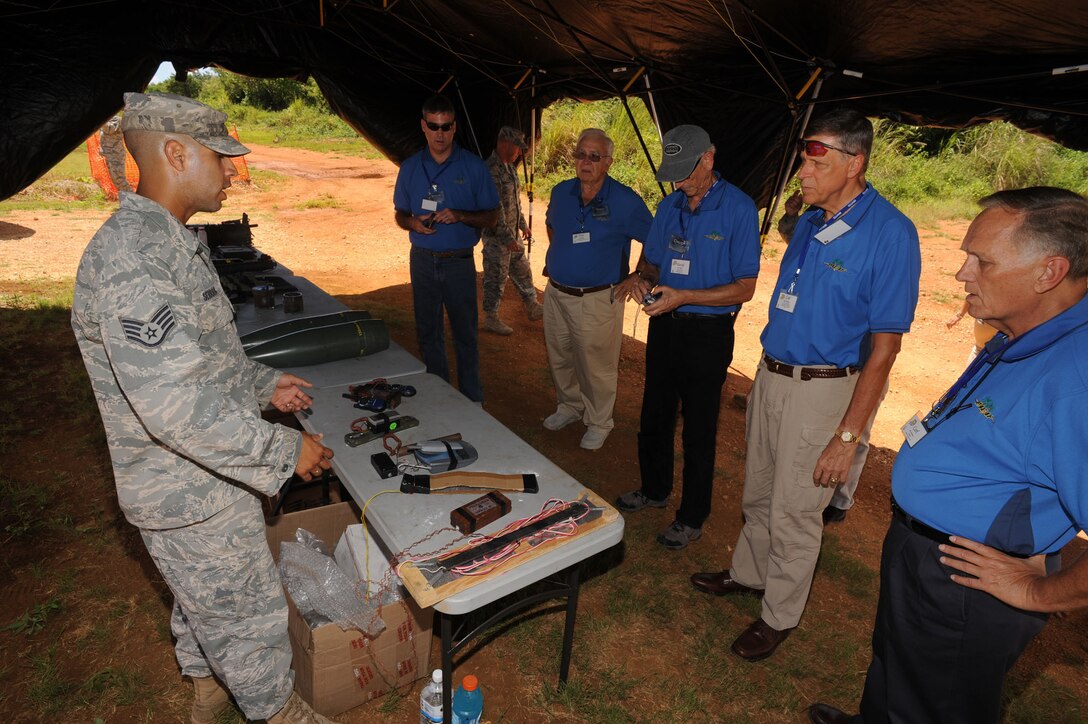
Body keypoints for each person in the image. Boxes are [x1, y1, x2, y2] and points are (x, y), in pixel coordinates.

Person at [71, 93, 335, 724]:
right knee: (246, 617)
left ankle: (209, 694)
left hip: (203, 476)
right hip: (186, 491)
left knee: (204, 600)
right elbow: (176, 407)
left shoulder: (166, 242)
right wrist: (283, 449)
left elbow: (200, 361)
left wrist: (262, 385)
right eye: (220, 157)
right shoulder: (136, 260)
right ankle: (277, 713)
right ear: (175, 154)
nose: (231, 172)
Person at [808, 187, 1088, 724]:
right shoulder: (1025, 328)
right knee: (895, 664)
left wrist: (1038, 593)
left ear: (1049, 273)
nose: (962, 274)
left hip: (965, 582)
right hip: (923, 550)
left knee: (935, 704)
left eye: (982, 261)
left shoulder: (1077, 376)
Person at [689, 109, 921, 661]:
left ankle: (779, 614)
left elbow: (885, 349)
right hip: (773, 374)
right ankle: (749, 574)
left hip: (823, 389)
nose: (802, 171)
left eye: (816, 159)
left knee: (796, 508)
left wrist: (847, 438)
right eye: (802, 158)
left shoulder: (891, 233)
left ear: (855, 163)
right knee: (759, 490)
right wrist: (765, 376)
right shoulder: (814, 219)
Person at [615, 124, 760, 548]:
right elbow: (651, 262)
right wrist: (641, 279)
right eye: (672, 174)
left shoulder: (739, 208)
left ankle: (692, 516)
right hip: (665, 324)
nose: (678, 183)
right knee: (654, 415)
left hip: (708, 333)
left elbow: (745, 287)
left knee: (699, 428)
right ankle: (654, 489)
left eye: (684, 172)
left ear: (708, 159)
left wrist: (686, 296)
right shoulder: (669, 206)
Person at [541, 128, 653, 449]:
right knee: (560, 357)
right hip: (556, 293)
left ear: (608, 163)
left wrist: (638, 274)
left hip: (598, 299)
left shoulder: (625, 201)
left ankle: (599, 421)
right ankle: (569, 406)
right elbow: (552, 225)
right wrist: (561, 255)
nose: (586, 161)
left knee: (597, 366)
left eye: (594, 156)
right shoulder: (561, 192)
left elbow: (655, 238)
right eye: (581, 154)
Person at [393, 94, 499, 402]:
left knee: (465, 334)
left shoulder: (473, 167)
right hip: (422, 260)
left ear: (454, 127)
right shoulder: (410, 168)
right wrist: (412, 222)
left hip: (458, 263)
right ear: (423, 126)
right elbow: (400, 213)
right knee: (428, 333)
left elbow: (492, 216)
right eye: (433, 126)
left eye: (446, 127)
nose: (439, 134)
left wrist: (461, 215)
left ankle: (472, 399)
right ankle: (440, 397)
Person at [480, 125, 543, 335]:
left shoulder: (509, 168)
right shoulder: (491, 170)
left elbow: (514, 202)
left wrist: (523, 225)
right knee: (496, 277)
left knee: (522, 269)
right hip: (497, 238)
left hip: (512, 236)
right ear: (505, 144)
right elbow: (494, 210)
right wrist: (508, 238)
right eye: (517, 147)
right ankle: (491, 317)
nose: (520, 152)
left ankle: (532, 305)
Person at [946, 297, 998, 365]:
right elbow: (971, 296)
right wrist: (960, 314)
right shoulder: (984, 292)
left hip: (996, 353)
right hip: (978, 349)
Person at [100, 114, 132, 195]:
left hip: (116, 155)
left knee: (119, 180)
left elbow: (110, 129)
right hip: (109, 154)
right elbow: (104, 136)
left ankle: (132, 198)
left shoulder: (116, 119)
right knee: (116, 180)